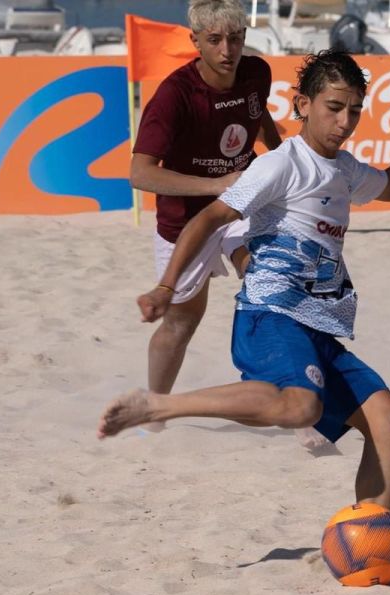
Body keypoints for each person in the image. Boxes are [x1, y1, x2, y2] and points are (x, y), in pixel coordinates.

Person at [99, 50, 390, 510]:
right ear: (303, 105)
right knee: (301, 406)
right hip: (270, 315)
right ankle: (159, 406)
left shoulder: (343, 168)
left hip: (316, 323)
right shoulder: (281, 163)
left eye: (355, 110)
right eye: (334, 107)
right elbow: (209, 220)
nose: (345, 121)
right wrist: (166, 286)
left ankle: (365, 534)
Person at [131, 0, 281, 422]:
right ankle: (154, 409)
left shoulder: (257, 73)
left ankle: (294, 405)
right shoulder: (174, 96)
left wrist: (280, 156)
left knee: (266, 277)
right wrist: (214, 185)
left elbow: (260, 113)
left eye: (235, 39)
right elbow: (140, 174)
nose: (226, 49)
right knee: (181, 323)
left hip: (241, 204)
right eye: (214, 40)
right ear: (194, 41)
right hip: (183, 221)